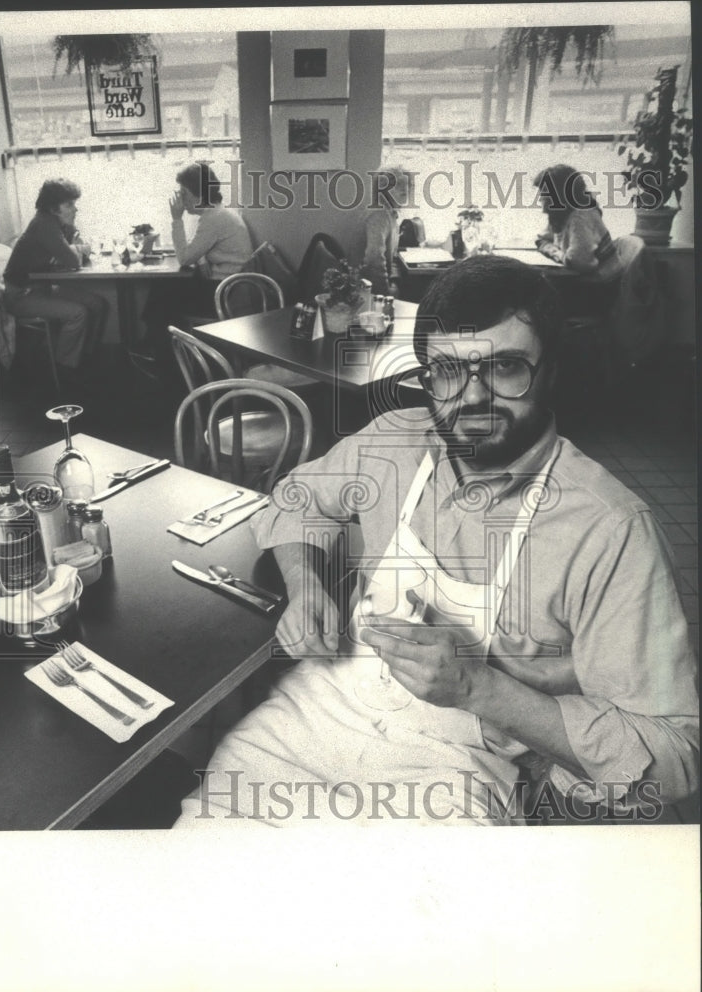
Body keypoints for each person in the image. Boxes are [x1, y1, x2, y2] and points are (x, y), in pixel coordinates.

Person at [175, 255, 698, 827]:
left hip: (455, 764)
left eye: (503, 368)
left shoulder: (609, 530)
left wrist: (478, 686)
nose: (472, 398)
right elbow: (294, 498)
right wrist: (306, 589)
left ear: (551, 368)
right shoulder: (393, 441)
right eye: (446, 371)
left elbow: (673, 756)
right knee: (203, 867)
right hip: (313, 711)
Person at [137, 162, 252, 363]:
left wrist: (176, 219)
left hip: (224, 294)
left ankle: (161, 353)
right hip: (227, 286)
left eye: (184, 193)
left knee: (161, 294)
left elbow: (184, 257)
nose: (181, 199)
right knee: (163, 289)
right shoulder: (217, 214)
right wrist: (201, 260)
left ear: (199, 196)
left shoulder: (213, 219)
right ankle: (158, 347)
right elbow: (198, 250)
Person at [3, 178, 108, 375]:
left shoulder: (53, 223)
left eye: (74, 204)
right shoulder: (44, 224)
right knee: (78, 313)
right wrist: (78, 248)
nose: (75, 209)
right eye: (69, 204)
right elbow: (73, 260)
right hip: (20, 295)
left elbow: (68, 251)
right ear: (53, 208)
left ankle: (85, 357)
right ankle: (64, 369)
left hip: (40, 288)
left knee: (97, 303)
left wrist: (71, 231)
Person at [533, 164, 623, 283]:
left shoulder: (581, 217)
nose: (539, 199)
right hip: (584, 278)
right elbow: (541, 241)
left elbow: (578, 262)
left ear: (558, 195)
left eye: (543, 193)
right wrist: (556, 253)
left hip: (601, 284)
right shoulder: (560, 214)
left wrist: (555, 253)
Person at [360, 165, 412, 297]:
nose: (404, 188)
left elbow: (392, 256)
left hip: (378, 285)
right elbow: (373, 261)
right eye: (397, 184)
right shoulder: (379, 214)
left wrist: (394, 281)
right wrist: (387, 292)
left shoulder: (391, 214)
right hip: (364, 290)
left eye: (406, 183)